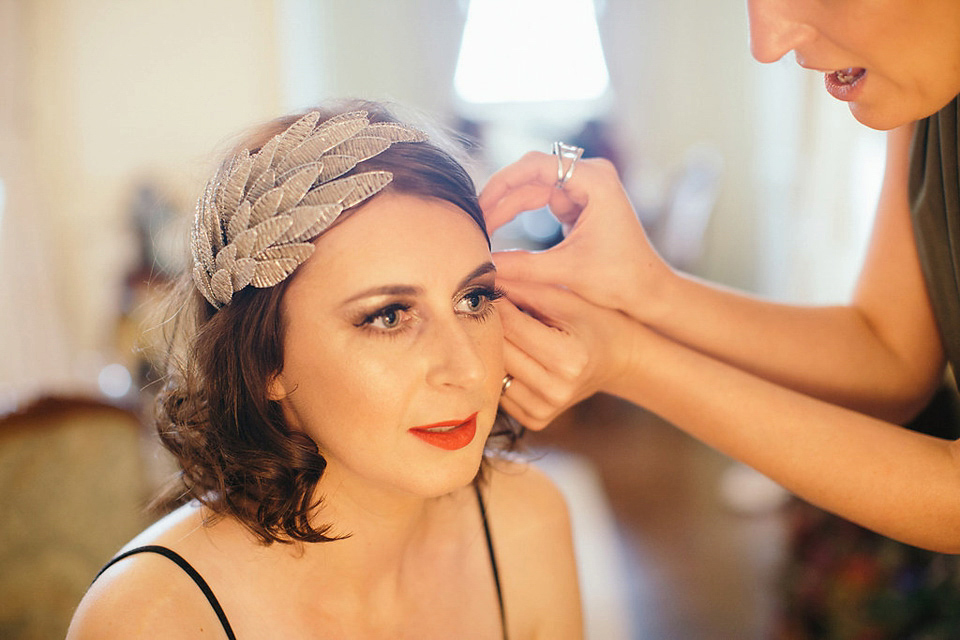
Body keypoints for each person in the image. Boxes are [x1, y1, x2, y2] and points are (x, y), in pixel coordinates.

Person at [67, 102, 582, 639]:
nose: (468, 368)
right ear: (265, 360)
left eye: (474, 299)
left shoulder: (525, 523)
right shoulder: (150, 618)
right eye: (388, 316)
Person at [480, 0, 960, 555]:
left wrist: (631, 360)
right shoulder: (931, 89)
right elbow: (889, 361)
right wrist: (648, 288)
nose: (767, 44)